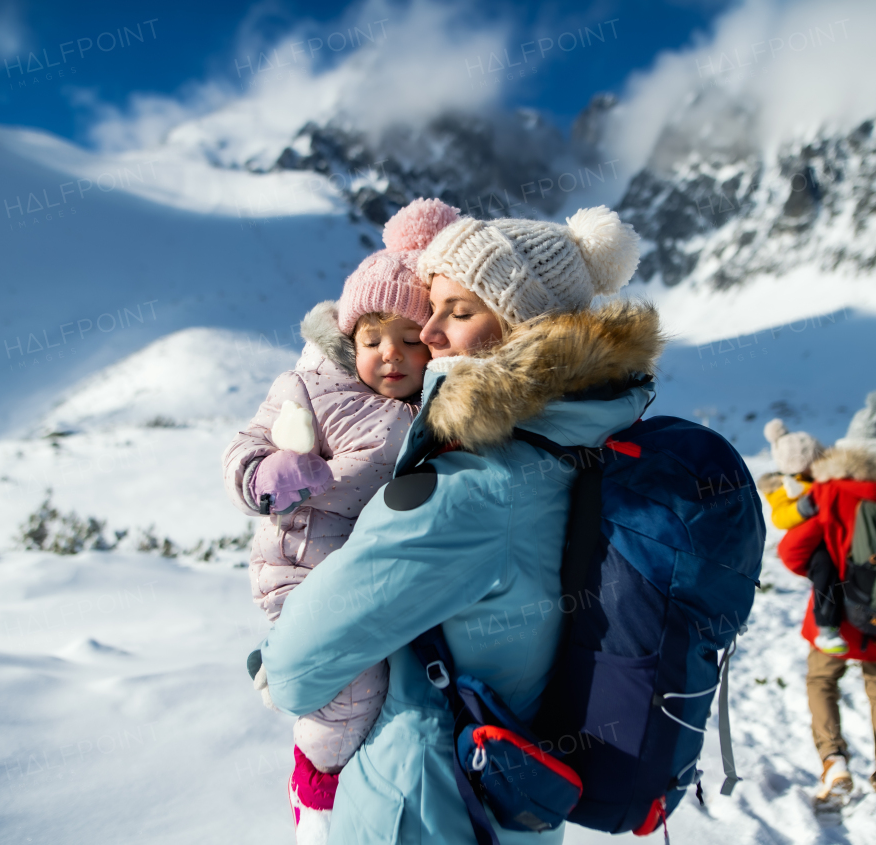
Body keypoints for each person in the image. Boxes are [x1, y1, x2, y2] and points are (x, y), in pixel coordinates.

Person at [252, 206, 660, 844]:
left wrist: (273, 658)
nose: (430, 332)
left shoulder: (471, 488)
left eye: (458, 311)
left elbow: (301, 668)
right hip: (510, 800)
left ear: (522, 327)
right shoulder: (583, 441)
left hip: (422, 805)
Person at [222, 198, 459, 839]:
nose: (390, 354)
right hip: (301, 565)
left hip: (369, 577)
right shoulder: (312, 388)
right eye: (372, 339)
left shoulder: (437, 408)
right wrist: (269, 476)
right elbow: (244, 449)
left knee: (393, 695)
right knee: (351, 696)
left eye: (410, 341)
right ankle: (316, 807)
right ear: (347, 337)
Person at [778, 391, 876, 805]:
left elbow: (793, 550)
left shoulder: (835, 490)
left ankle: (834, 761)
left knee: (821, 680)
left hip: (841, 615)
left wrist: (820, 574)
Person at [757, 419, 847, 654]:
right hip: (813, 545)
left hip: (837, 535)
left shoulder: (827, 477)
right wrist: (801, 509)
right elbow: (780, 517)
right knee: (826, 571)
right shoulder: (782, 486)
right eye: (807, 467)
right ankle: (827, 626)